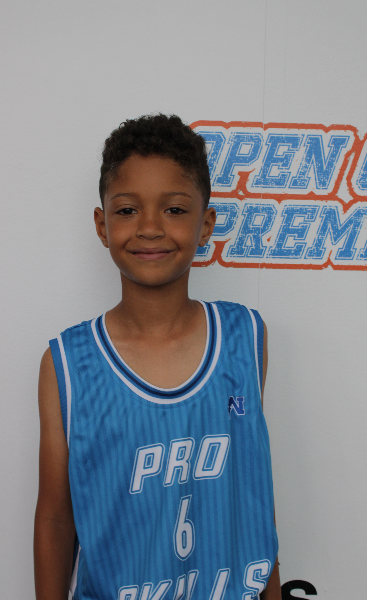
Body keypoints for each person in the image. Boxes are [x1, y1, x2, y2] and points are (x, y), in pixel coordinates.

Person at [34, 114, 281, 600]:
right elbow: (56, 518)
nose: (149, 228)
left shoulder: (245, 337)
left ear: (205, 224)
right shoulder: (67, 364)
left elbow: (254, 495)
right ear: (102, 225)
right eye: (127, 210)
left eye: (174, 209)